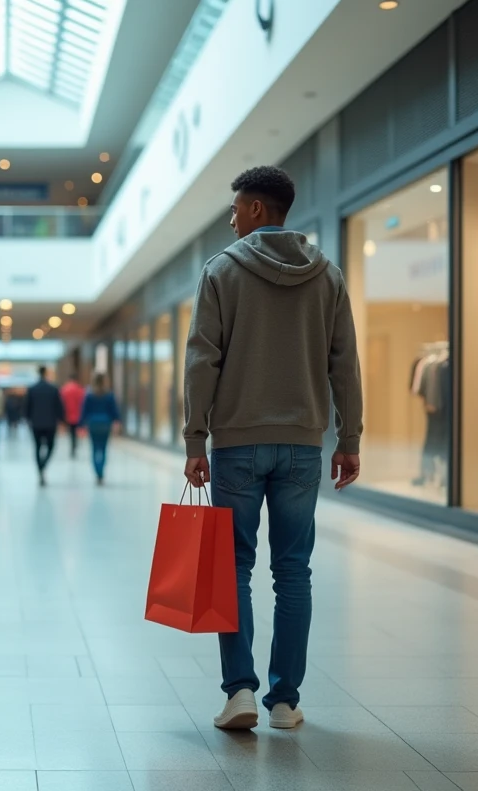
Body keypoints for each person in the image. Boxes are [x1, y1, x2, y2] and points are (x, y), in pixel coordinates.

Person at [182, 166, 362, 732]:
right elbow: (344, 364)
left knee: (234, 568)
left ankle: (239, 692)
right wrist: (349, 438)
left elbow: (201, 359)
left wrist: (195, 438)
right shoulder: (327, 275)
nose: (232, 219)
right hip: (302, 447)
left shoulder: (220, 271)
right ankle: (284, 701)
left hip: (237, 445)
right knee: (293, 572)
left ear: (257, 209)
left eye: (236, 208)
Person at [23, 366, 65, 486]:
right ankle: (43, 465)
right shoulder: (53, 389)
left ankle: (40, 468)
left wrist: (27, 419)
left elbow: (27, 406)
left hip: (36, 423)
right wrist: (61, 419)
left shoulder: (32, 389)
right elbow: (59, 406)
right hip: (50, 423)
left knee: (37, 447)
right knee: (50, 446)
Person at [80, 373, 120, 485]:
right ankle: (101, 472)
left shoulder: (89, 395)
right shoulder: (109, 395)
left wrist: (81, 424)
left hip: (93, 424)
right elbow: (114, 412)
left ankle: (97, 472)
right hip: (105, 424)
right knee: (103, 449)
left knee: (94, 449)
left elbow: (84, 411)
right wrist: (117, 422)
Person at [60, 374, 87, 457]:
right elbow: (83, 403)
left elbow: (61, 403)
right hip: (78, 414)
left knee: (71, 431)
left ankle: (73, 445)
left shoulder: (64, 389)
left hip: (68, 414)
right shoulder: (80, 390)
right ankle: (74, 445)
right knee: (75, 431)